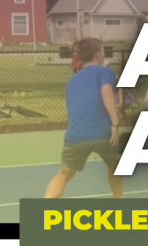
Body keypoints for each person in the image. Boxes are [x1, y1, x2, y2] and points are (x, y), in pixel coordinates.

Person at [44, 37, 124, 199]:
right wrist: (115, 123)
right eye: (102, 52)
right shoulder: (106, 72)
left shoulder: (71, 81)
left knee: (64, 174)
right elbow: (106, 91)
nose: (103, 55)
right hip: (103, 135)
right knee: (113, 166)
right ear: (97, 55)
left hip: (76, 136)